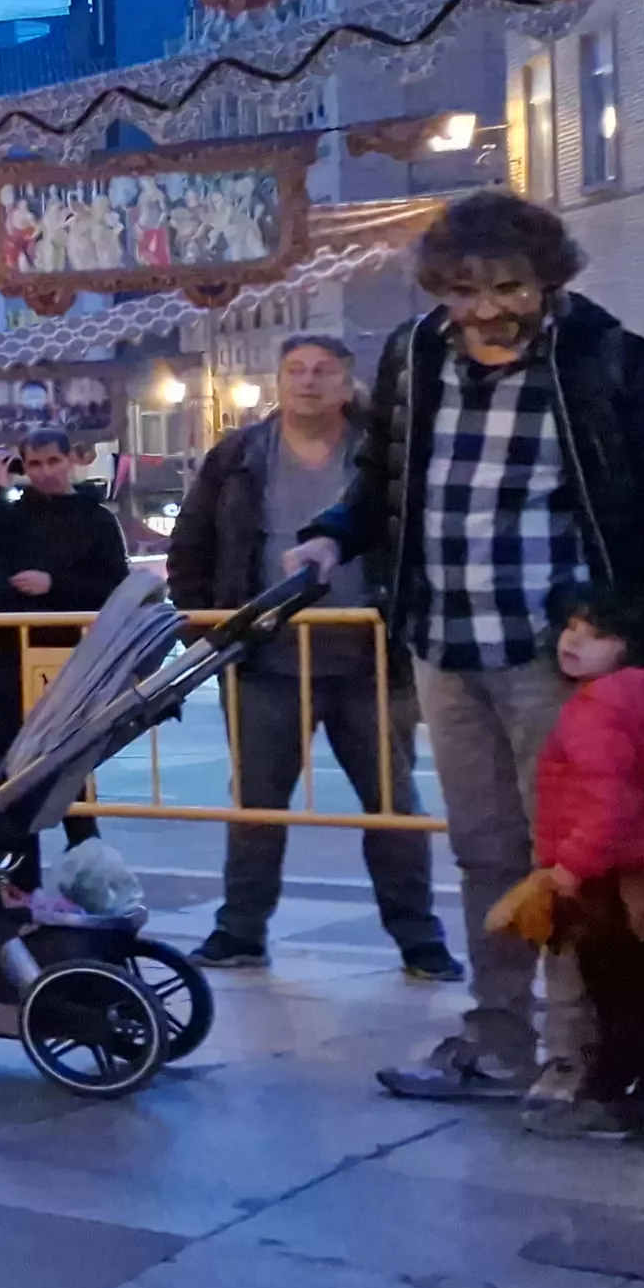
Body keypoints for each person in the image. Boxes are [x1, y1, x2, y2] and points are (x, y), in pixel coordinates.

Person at [294, 191, 644, 1107]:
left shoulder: (613, 362)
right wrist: (332, 534)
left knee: (572, 859)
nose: (486, 309)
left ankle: (579, 1053)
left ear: (550, 279)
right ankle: (499, 1041)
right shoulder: (415, 354)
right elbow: (382, 483)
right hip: (443, 643)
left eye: (508, 287)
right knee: (485, 854)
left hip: (556, 651)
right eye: (462, 290)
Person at [170, 334, 456, 981]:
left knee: (393, 808)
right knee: (255, 806)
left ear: (348, 379)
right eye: (295, 368)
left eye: (323, 370)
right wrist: (209, 633)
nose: (308, 381)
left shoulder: (385, 453)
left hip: (372, 664)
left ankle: (419, 938)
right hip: (266, 665)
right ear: (277, 378)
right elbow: (192, 546)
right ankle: (239, 929)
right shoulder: (239, 455)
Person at [497, 584, 644, 1142]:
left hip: (605, 879)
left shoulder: (600, 709)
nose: (573, 640)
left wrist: (570, 868)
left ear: (629, 649)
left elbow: (610, 803)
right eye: (571, 628)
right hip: (642, 875)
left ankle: (606, 1095)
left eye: (597, 634)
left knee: (615, 996)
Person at [0, 425, 127, 770]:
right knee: (11, 741)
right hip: (12, 648)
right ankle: (13, 818)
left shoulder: (96, 519)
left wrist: (54, 583)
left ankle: (79, 820)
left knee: (69, 743)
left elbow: (114, 584)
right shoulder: (12, 515)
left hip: (70, 646)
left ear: (70, 461)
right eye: (35, 464)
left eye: (53, 461)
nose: (45, 472)